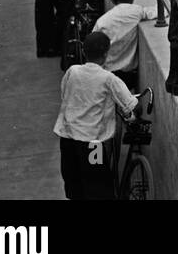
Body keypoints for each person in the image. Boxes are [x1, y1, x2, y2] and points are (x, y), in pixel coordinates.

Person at [53, 30, 140, 199]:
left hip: (68, 138)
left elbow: (65, 93)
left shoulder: (72, 71)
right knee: (98, 186)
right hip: (93, 144)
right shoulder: (109, 79)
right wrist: (133, 116)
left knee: (75, 186)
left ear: (84, 52)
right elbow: (130, 106)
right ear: (106, 54)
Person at [94, 0, 155, 91]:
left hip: (106, 71)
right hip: (128, 73)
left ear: (112, 0)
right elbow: (155, 12)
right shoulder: (136, 11)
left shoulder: (102, 21)